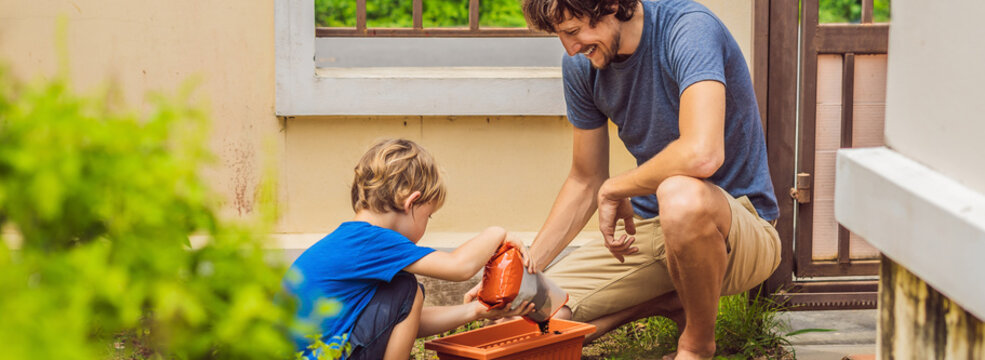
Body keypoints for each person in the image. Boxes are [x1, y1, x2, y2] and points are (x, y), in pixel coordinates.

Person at [519, 0, 782, 358]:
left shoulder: (688, 28)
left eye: (574, 31)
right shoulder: (581, 66)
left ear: (611, 5)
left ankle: (697, 345)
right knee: (529, 323)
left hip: (738, 227)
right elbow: (585, 180)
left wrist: (616, 187)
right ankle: (665, 300)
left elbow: (702, 153)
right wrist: (525, 272)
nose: (571, 48)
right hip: (647, 229)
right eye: (561, 36)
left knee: (680, 194)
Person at [284, 139, 535, 359]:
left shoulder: (350, 239)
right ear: (411, 203)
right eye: (428, 216)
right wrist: (499, 233)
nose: (426, 224)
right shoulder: (373, 240)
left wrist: (476, 311)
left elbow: (406, 321)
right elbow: (460, 267)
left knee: (402, 292)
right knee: (406, 288)